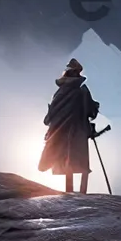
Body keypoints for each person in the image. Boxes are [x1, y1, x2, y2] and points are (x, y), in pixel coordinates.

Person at [38, 57, 99, 194]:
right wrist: (95, 106)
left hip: (61, 136)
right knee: (81, 166)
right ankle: (81, 195)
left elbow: (52, 113)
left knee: (67, 165)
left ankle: (69, 194)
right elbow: (91, 111)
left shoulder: (61, 91)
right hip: (78, 133)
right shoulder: (82, 91)